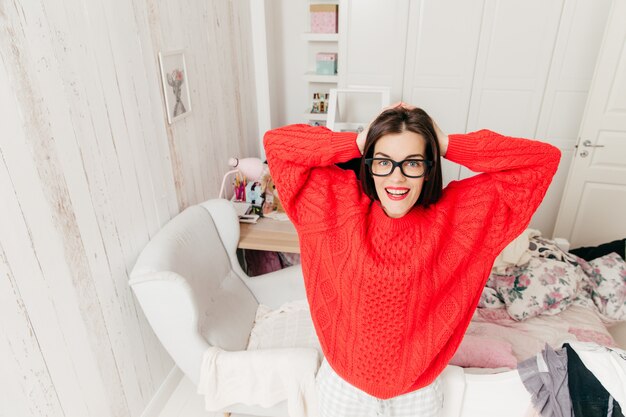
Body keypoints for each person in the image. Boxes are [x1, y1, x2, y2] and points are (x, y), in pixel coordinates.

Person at [263, 104, 561, 417]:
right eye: (383, 161)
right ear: (369, 162)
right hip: (342, 390)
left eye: (413, 163)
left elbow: (541, 160)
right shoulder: (334, 206)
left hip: (417, 399)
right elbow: (278, 144)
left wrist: (444, 142)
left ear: (429, 168)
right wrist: (355, 141)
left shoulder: (458, 219)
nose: (397, 177)